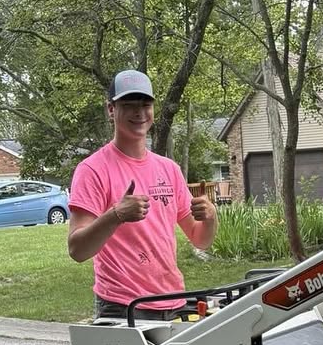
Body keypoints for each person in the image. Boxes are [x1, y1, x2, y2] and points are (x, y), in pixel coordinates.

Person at [67, 69, 218, 321]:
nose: (139, 112)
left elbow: (200, 239)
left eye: (145, 104)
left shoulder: (168, 169)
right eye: (129, 105)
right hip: (122, 307)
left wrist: (210, 218)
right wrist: (116, 214)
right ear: (111, 109)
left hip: (173, 303)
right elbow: (77, 250)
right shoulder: (92, 170)